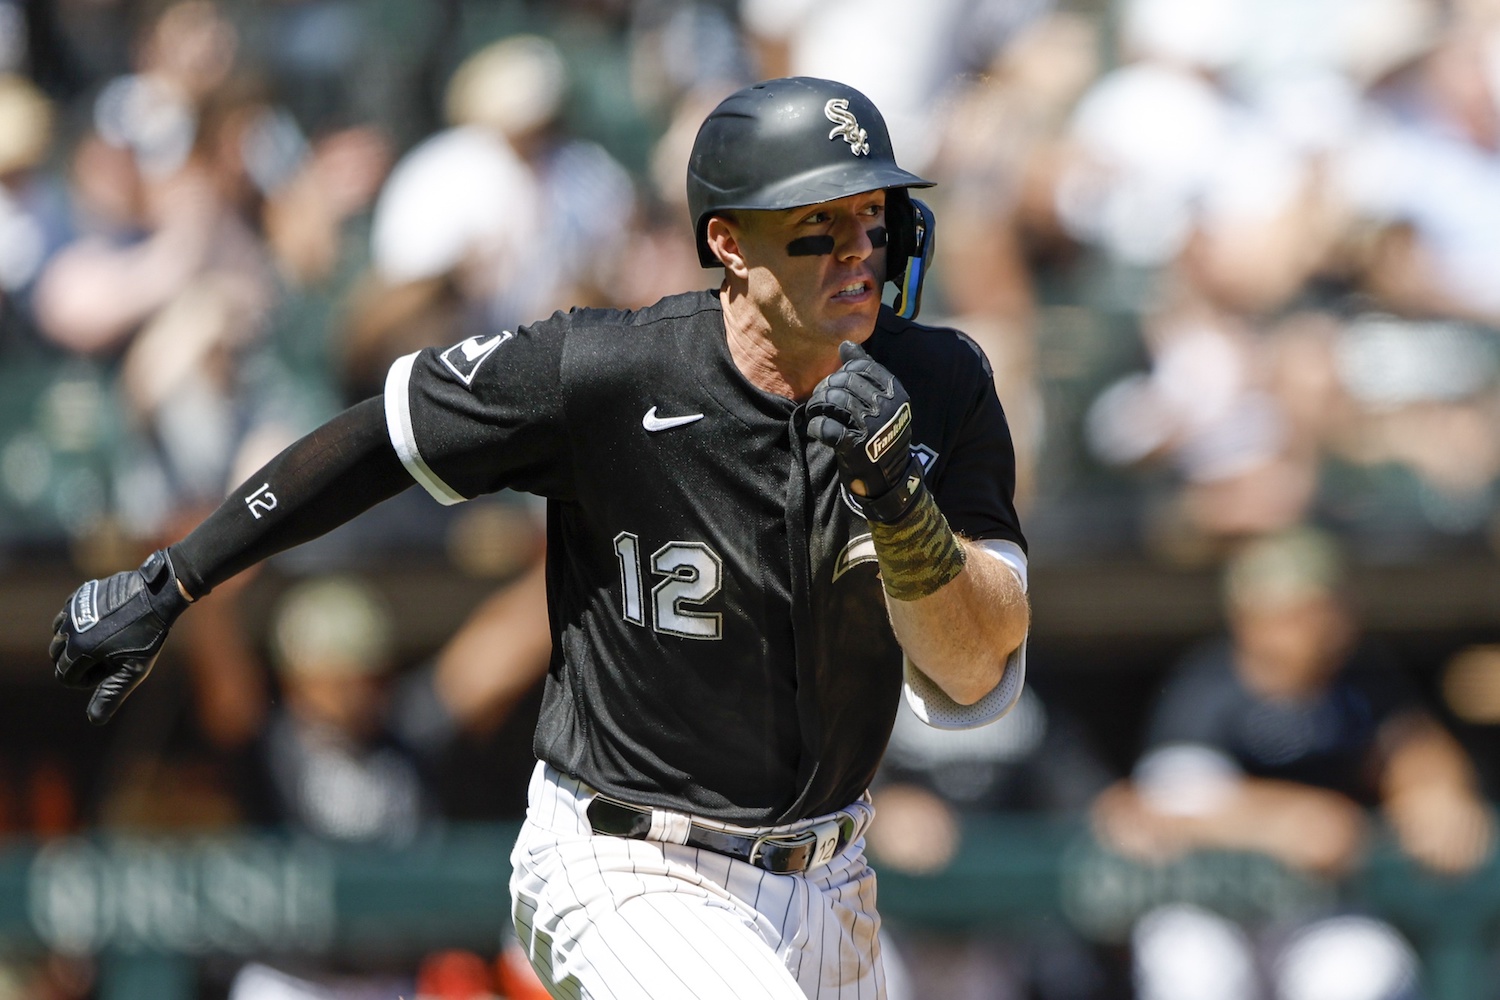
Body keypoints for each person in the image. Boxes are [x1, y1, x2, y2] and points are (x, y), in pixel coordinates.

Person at [48, 76, 1031, 999]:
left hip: (833, 877)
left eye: (875, 214)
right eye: (821, 224)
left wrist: (902, 508)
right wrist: (179, 575)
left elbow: (977, 670)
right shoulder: (609, 373)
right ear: (729, 242)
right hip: (628, 858)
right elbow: (381, 438)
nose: (862, 245)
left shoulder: (939, 388)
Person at [1092, 525, 1493, 1000]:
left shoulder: (1361, 679)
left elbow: (1412, 746)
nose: (1315, 626)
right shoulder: (1208, 688)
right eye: (1291, 612)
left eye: (1322, 607)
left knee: (1362, 972)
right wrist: (1281, 820)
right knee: (1192, 970)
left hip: (1319, 910)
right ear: (1247, 617)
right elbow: (1162, 809)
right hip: (1212, 908)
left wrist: (1436, 791)